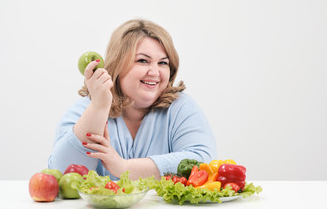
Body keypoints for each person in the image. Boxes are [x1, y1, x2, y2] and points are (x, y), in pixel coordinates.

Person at [48, 19, 217, 180]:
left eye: (163, 63)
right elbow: (63, 172)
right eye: (143, 61)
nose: (154, 72)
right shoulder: (85, 109)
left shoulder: (180, 107)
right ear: (118, 64)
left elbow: (203, 163)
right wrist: (99, 107)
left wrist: (125, 168)